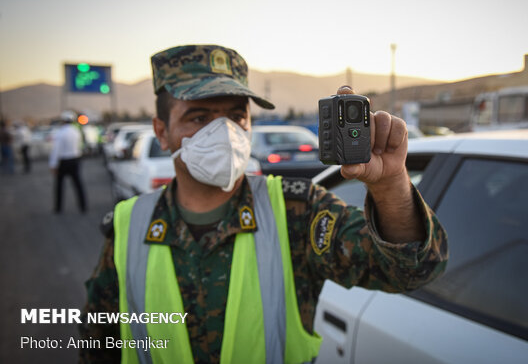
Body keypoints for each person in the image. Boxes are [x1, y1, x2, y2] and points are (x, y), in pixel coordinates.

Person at [79, 45, 448, 363]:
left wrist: (390, 187)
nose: (224, 131)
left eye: (237, 114)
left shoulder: (295, 211)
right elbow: (99, 344)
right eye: (199, 116)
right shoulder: (129, 225)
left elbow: (410, 269)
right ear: (162, 132)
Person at [49, 110, 87, 213]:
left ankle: (58, 208)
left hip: (64, 162)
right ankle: (83, 206)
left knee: (59, 186)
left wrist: (53, 164)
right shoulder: (76, 131)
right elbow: (80, 146)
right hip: (75, 160)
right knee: (78, 184)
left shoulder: (61, 132)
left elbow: (56, 150)